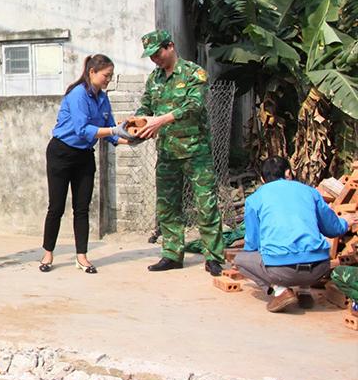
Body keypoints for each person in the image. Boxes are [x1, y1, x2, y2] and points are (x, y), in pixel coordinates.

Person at [134, 29, 225, 276]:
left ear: (170, 46)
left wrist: (160, 120)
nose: (155, 59)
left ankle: (214, 257)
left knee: (206, 205)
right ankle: (172, 254)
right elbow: (146, 104)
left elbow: (194, 106)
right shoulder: (154, 79)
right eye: (151, 56)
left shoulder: (194, 73)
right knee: (167, 207)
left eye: (158, 53)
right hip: (167, 152)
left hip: (196, 152)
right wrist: (139, 122)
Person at [41, 54, 128, 274]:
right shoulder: (78, 94)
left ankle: (81, 256)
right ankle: (48, 254)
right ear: (92, 72)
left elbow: (110, 131)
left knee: (82, 208)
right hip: (61, 153)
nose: (108, 79)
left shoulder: (103, 98)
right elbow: (83, 129)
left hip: (84, 156)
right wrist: (113, 131)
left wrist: (133, 138)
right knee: (56, 207)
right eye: (106, 75)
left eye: (110, 76)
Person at [238, 156, 354, 312]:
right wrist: (346, 222)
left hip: (281, 271)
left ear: (262, 179)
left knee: (241, 259)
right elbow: (333, 229)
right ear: (288, 173)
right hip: (319, 268)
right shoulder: (310, 192)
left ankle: (280, 290)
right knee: (304, 248)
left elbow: (252, 243)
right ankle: (304, 290)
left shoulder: (254, 199)